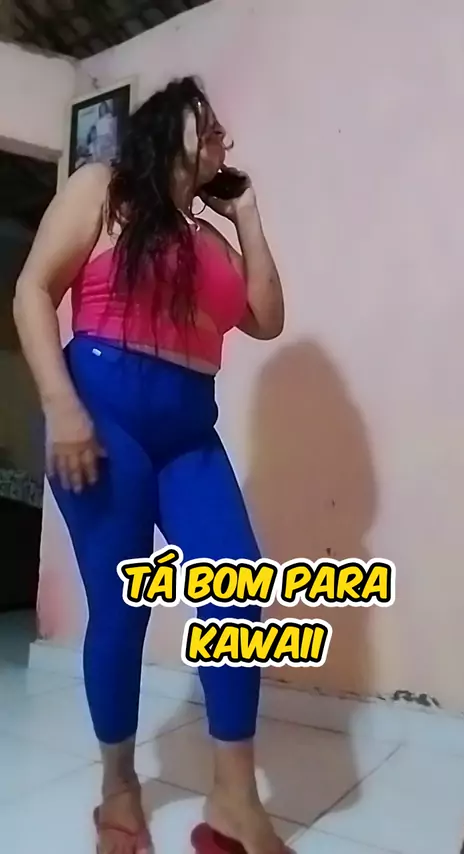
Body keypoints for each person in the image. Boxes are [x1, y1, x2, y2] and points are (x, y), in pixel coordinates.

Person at [13, 77, 285, 854]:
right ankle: (119, 789)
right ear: (169, 127)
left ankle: (234, 802)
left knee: (238, 591)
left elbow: (267, 319)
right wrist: (62, 406)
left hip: (189, 432)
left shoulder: (211, 241)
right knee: (122, 608)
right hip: (103, 415)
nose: (225, 141)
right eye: (212, 128)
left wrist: (247, 213)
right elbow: (33, 290)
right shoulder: (103, 190)